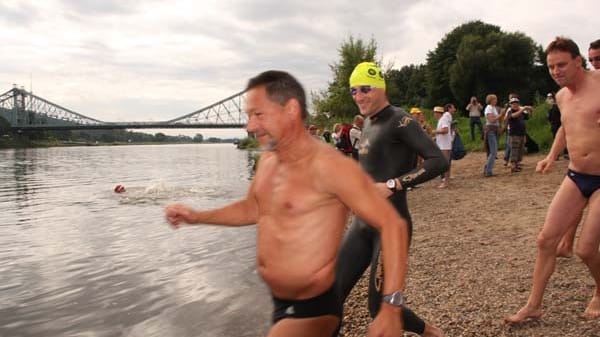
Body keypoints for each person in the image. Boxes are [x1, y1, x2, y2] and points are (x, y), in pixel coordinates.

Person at [165, 70, 409, 337]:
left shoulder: (330, 167)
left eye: (259, 115)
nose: (250, 126)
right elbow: (253, 208)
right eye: (248, 116)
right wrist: (197, 216)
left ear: (291, 109)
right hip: (279, 303)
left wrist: (390, 307)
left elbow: (392, 224)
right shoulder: (268, 161)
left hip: (314, 308)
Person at [336, 62, 447, 337]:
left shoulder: (400, 120)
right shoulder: (369, 123)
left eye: (365, 89)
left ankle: (431, 332)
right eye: (353, 90)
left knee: (379, 308)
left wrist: (394, 184)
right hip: (362, 224)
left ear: (381, 88)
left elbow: (437, 160)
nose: (358, 96)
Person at [505, 37, 600, 323]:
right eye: (551, 67)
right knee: (546, 240)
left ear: (577, 61)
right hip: (576, 174)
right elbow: (565, 128)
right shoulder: (561, 97)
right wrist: (550, 156)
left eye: (561, 65)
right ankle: (533, 306)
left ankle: (599, 291)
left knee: (585, 249)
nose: (556, 71)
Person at [504, 97, 532, 173]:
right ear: (511, 105)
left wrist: (530, 110)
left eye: (516, 103)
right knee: (514, 150)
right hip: (514, 134)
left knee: (520, 150)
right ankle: (513, 166)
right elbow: (513, 116)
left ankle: (517, 165)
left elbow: (528, 117)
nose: (515, 105)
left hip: (522, 134)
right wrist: (523, 109)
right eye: (513, 104)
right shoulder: (510, 112)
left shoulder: (521, 113)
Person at [483, 94, 504, 177]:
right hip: (491, 130)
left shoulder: (493, 108)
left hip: (493, 130)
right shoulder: (489, 108)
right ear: (491, 100)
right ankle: (488, 170)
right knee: (493, 151)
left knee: (493, 151)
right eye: (495, 99)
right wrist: (501, 115)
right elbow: (491, 120)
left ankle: (488, 169)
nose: (496, 101)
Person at [433, 106, 452, 188]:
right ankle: (445, 180)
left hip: (444, 145)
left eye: (434, 113)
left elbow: (445, 130)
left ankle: (446, 182)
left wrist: (434, 131)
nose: (434, 114)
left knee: (445, 163)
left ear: (437, 113)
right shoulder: (441, 119)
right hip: (443, 144)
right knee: (445, 163)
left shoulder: (443, 119)